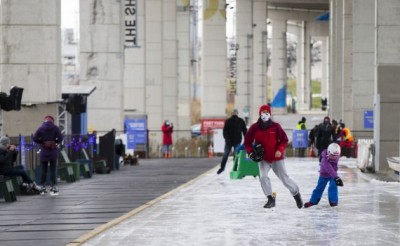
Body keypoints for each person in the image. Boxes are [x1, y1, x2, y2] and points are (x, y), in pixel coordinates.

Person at [244, 105, 303, 209]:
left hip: (276, 159)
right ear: (260, 114)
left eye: (267, 112)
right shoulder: (254, 128)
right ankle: (270, 199)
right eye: (263, 112)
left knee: (285, 179)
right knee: (263, 177)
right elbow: (247, 143)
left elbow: (284, 139)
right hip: (263, 159)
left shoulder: (276, 127)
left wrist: (280, 150)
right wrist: (251, 152)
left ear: (270, 114)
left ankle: (296, 194)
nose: (265, 114)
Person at [304, 143, 344, 208]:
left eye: (336, 156)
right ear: (328, 152)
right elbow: (329, 168)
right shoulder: (324, 159)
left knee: (333, 186)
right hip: (324, 174)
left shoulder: (336, 156)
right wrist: (336, 177)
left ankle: (333, 202)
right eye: (333, 155)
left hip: (333, 174)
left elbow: (334, 167)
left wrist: (336, 177)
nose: (334, 157)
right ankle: (313, 201)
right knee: (319, 188)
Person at [33, 115, 63, 195]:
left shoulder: (40, 128)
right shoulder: (55, 128)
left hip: (44, 151)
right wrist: (54, 142)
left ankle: (43, 187)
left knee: (44, 170)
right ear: (52, 121)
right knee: (53, 170)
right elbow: (60, 138)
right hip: (53, 151)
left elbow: (34, 138)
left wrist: (42, 142)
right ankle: (53, 187)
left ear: (45, 120)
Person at [217, 109, 247, 174]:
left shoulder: (241, 121)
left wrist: (247, 139)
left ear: (237, 113)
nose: (234, 113)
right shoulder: (228, 121)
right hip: (229, 142)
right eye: (233, 112)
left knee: (235, 156)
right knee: (226, 155)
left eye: (235, 112)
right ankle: (222, 168)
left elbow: (245, 131)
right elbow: (225, 132)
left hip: (236, 141)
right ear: (232, 113)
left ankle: (235, 168)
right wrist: (227, 140)